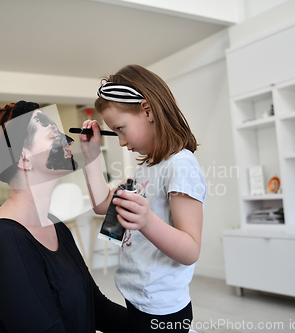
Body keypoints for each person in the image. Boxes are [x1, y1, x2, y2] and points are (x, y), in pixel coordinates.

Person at [0, 101, 131, 333]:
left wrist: (160, 327)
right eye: (53, 134)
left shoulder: (56, 227)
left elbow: (97, 309)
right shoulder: (2, 244)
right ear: (23, 159)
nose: (69, 141)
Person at [80, 64, 206, 332]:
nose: (122, 142)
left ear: (148, 111)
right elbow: (104, 205)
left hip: (163, 307)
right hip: (138, 296)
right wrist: (91, 159)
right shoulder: (145, 168)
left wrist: (147, 220)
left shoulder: (180, 166)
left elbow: (190, 249)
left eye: (121, 129)